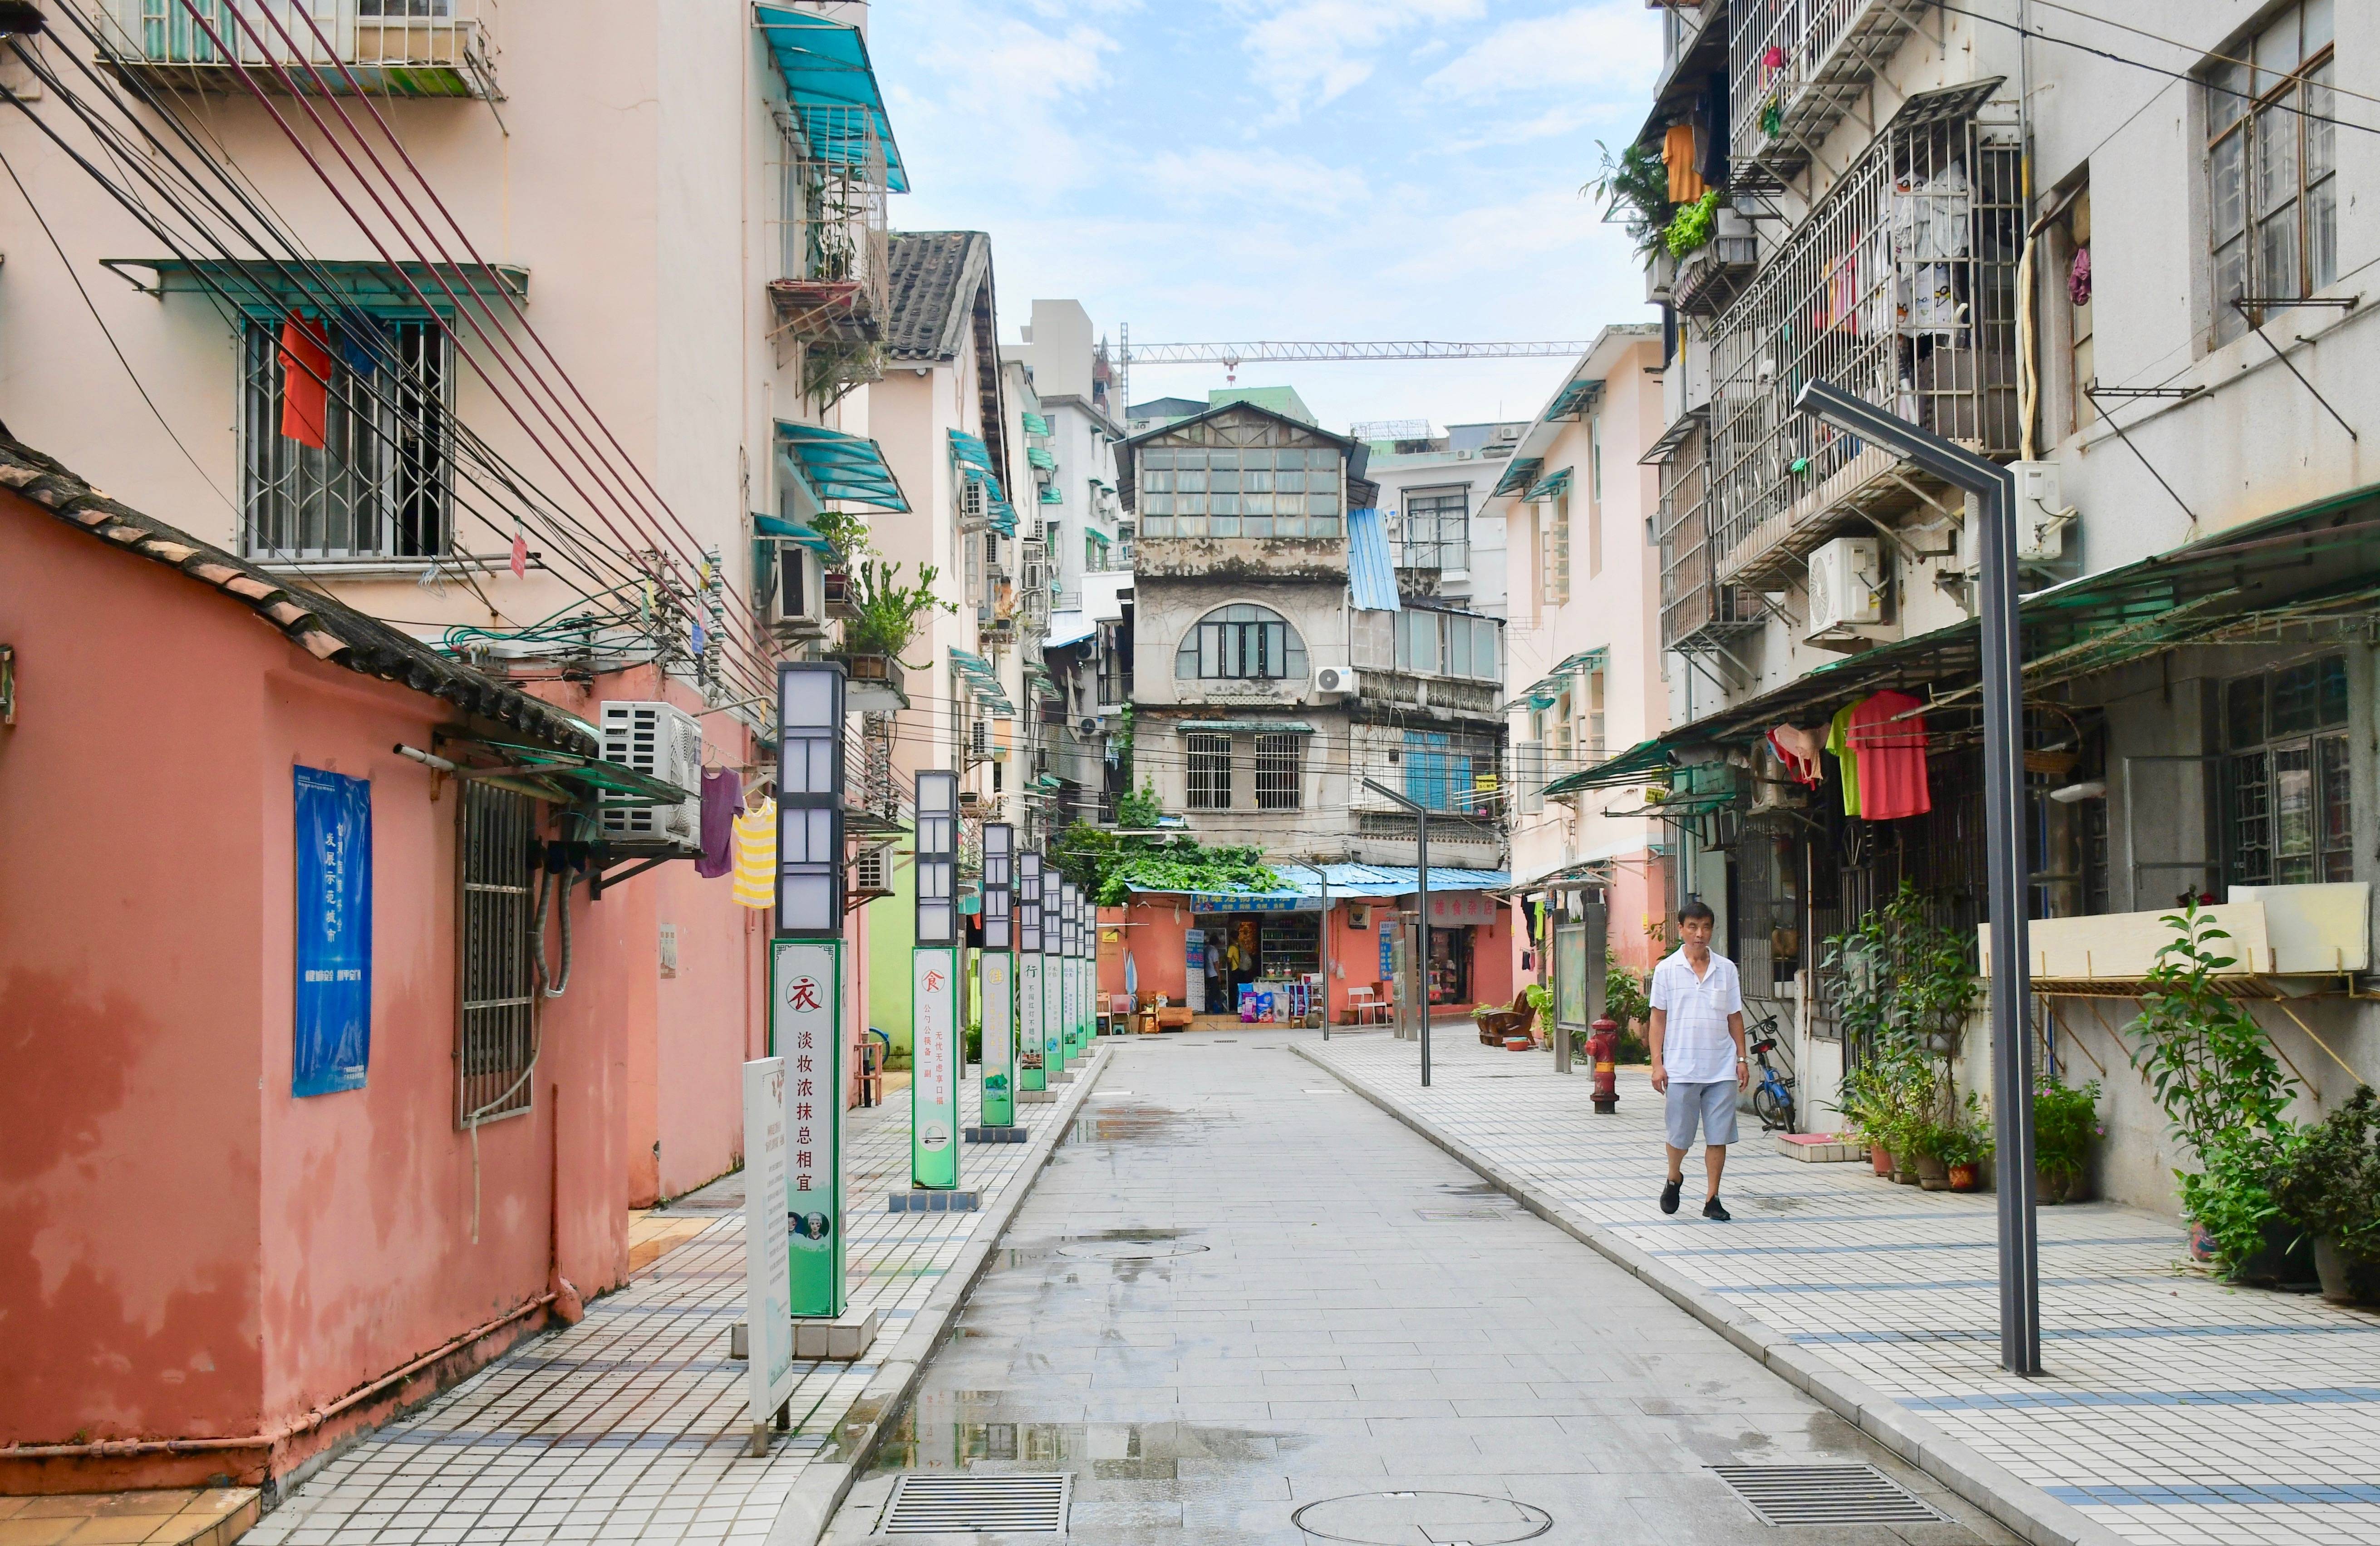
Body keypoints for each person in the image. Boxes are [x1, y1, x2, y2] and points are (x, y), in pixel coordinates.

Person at [1647, 899, 1750, 1222]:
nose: (1700, 934)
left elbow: (1735, 1017)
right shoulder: (1666, 970)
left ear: (1712, 930)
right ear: (1681, 929)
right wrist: (1657, 1064)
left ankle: (1712, 1198)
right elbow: (1657, 1020)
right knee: (1679, 1136)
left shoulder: (1727, 970)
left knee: (1718, 1136)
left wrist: (1742, 1059)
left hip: (1721, 1067)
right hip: (1681, 1068)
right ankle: (1674, 1176)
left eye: (1706, 927)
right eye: (1692, 927)